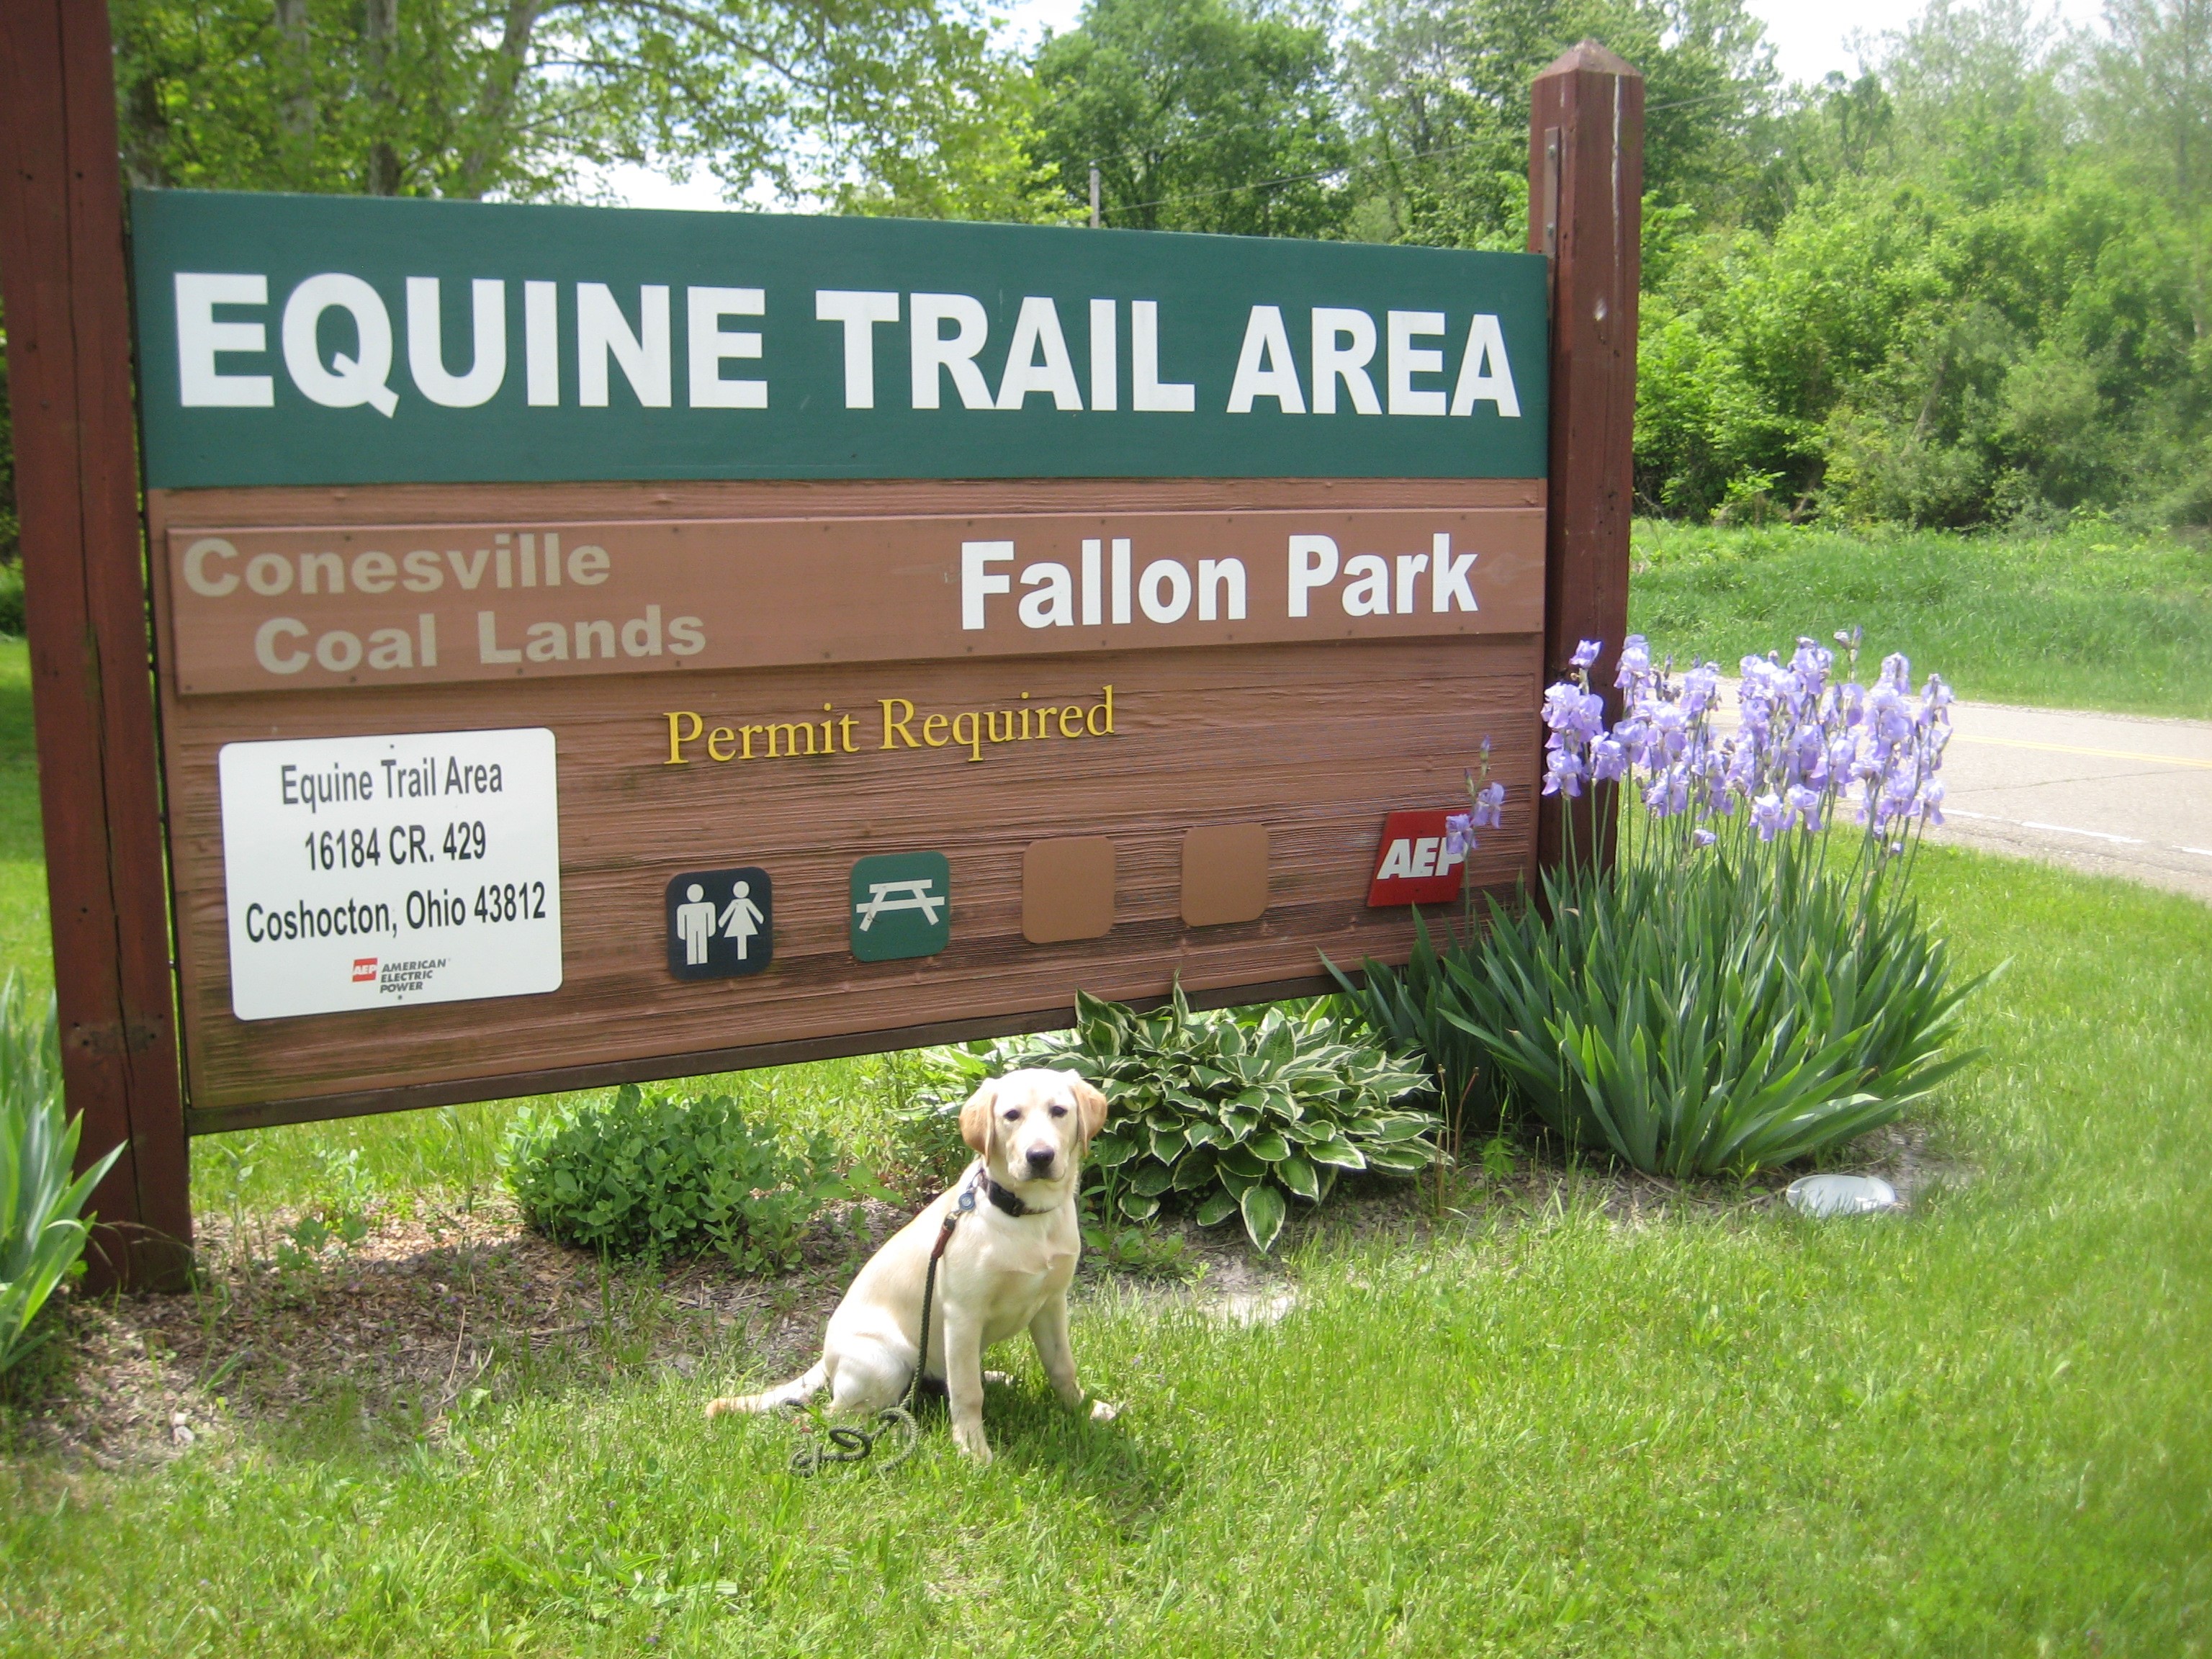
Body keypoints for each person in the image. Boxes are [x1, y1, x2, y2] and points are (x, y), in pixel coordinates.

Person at [720, 878, 765, 960]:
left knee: (743, 939)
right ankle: (741, 957)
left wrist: (760, 918)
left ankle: (742, 957)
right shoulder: (735, 903)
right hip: (737, 923)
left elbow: (754, 910)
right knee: (740, 939)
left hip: (745, 923)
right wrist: (722, 921)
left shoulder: (746, 902)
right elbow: (728, 912)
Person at [675, 881, 718, 966]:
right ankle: (692, 961)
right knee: (691, 947)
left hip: (703, 929)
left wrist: (710, 931)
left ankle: (703, 961)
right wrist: (682, 935)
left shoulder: (708, 906)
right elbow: (681, 922)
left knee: (702, 945)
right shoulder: (683, 908)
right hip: (690, 931)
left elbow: (711, 919)